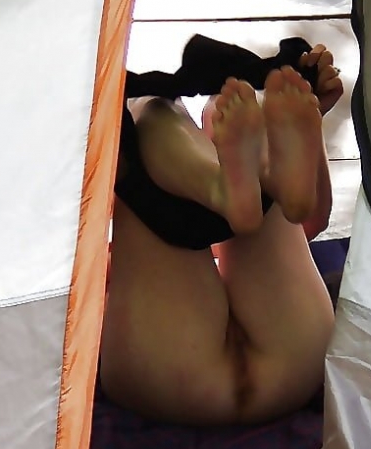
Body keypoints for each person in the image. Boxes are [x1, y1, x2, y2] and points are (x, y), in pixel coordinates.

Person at [99, 45, 344, 426]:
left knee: (148, 108)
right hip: (298, 357)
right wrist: (313, 116)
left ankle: (220, 186)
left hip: (166, 369)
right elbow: (313, 220)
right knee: (242, 103)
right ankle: (261, 160)